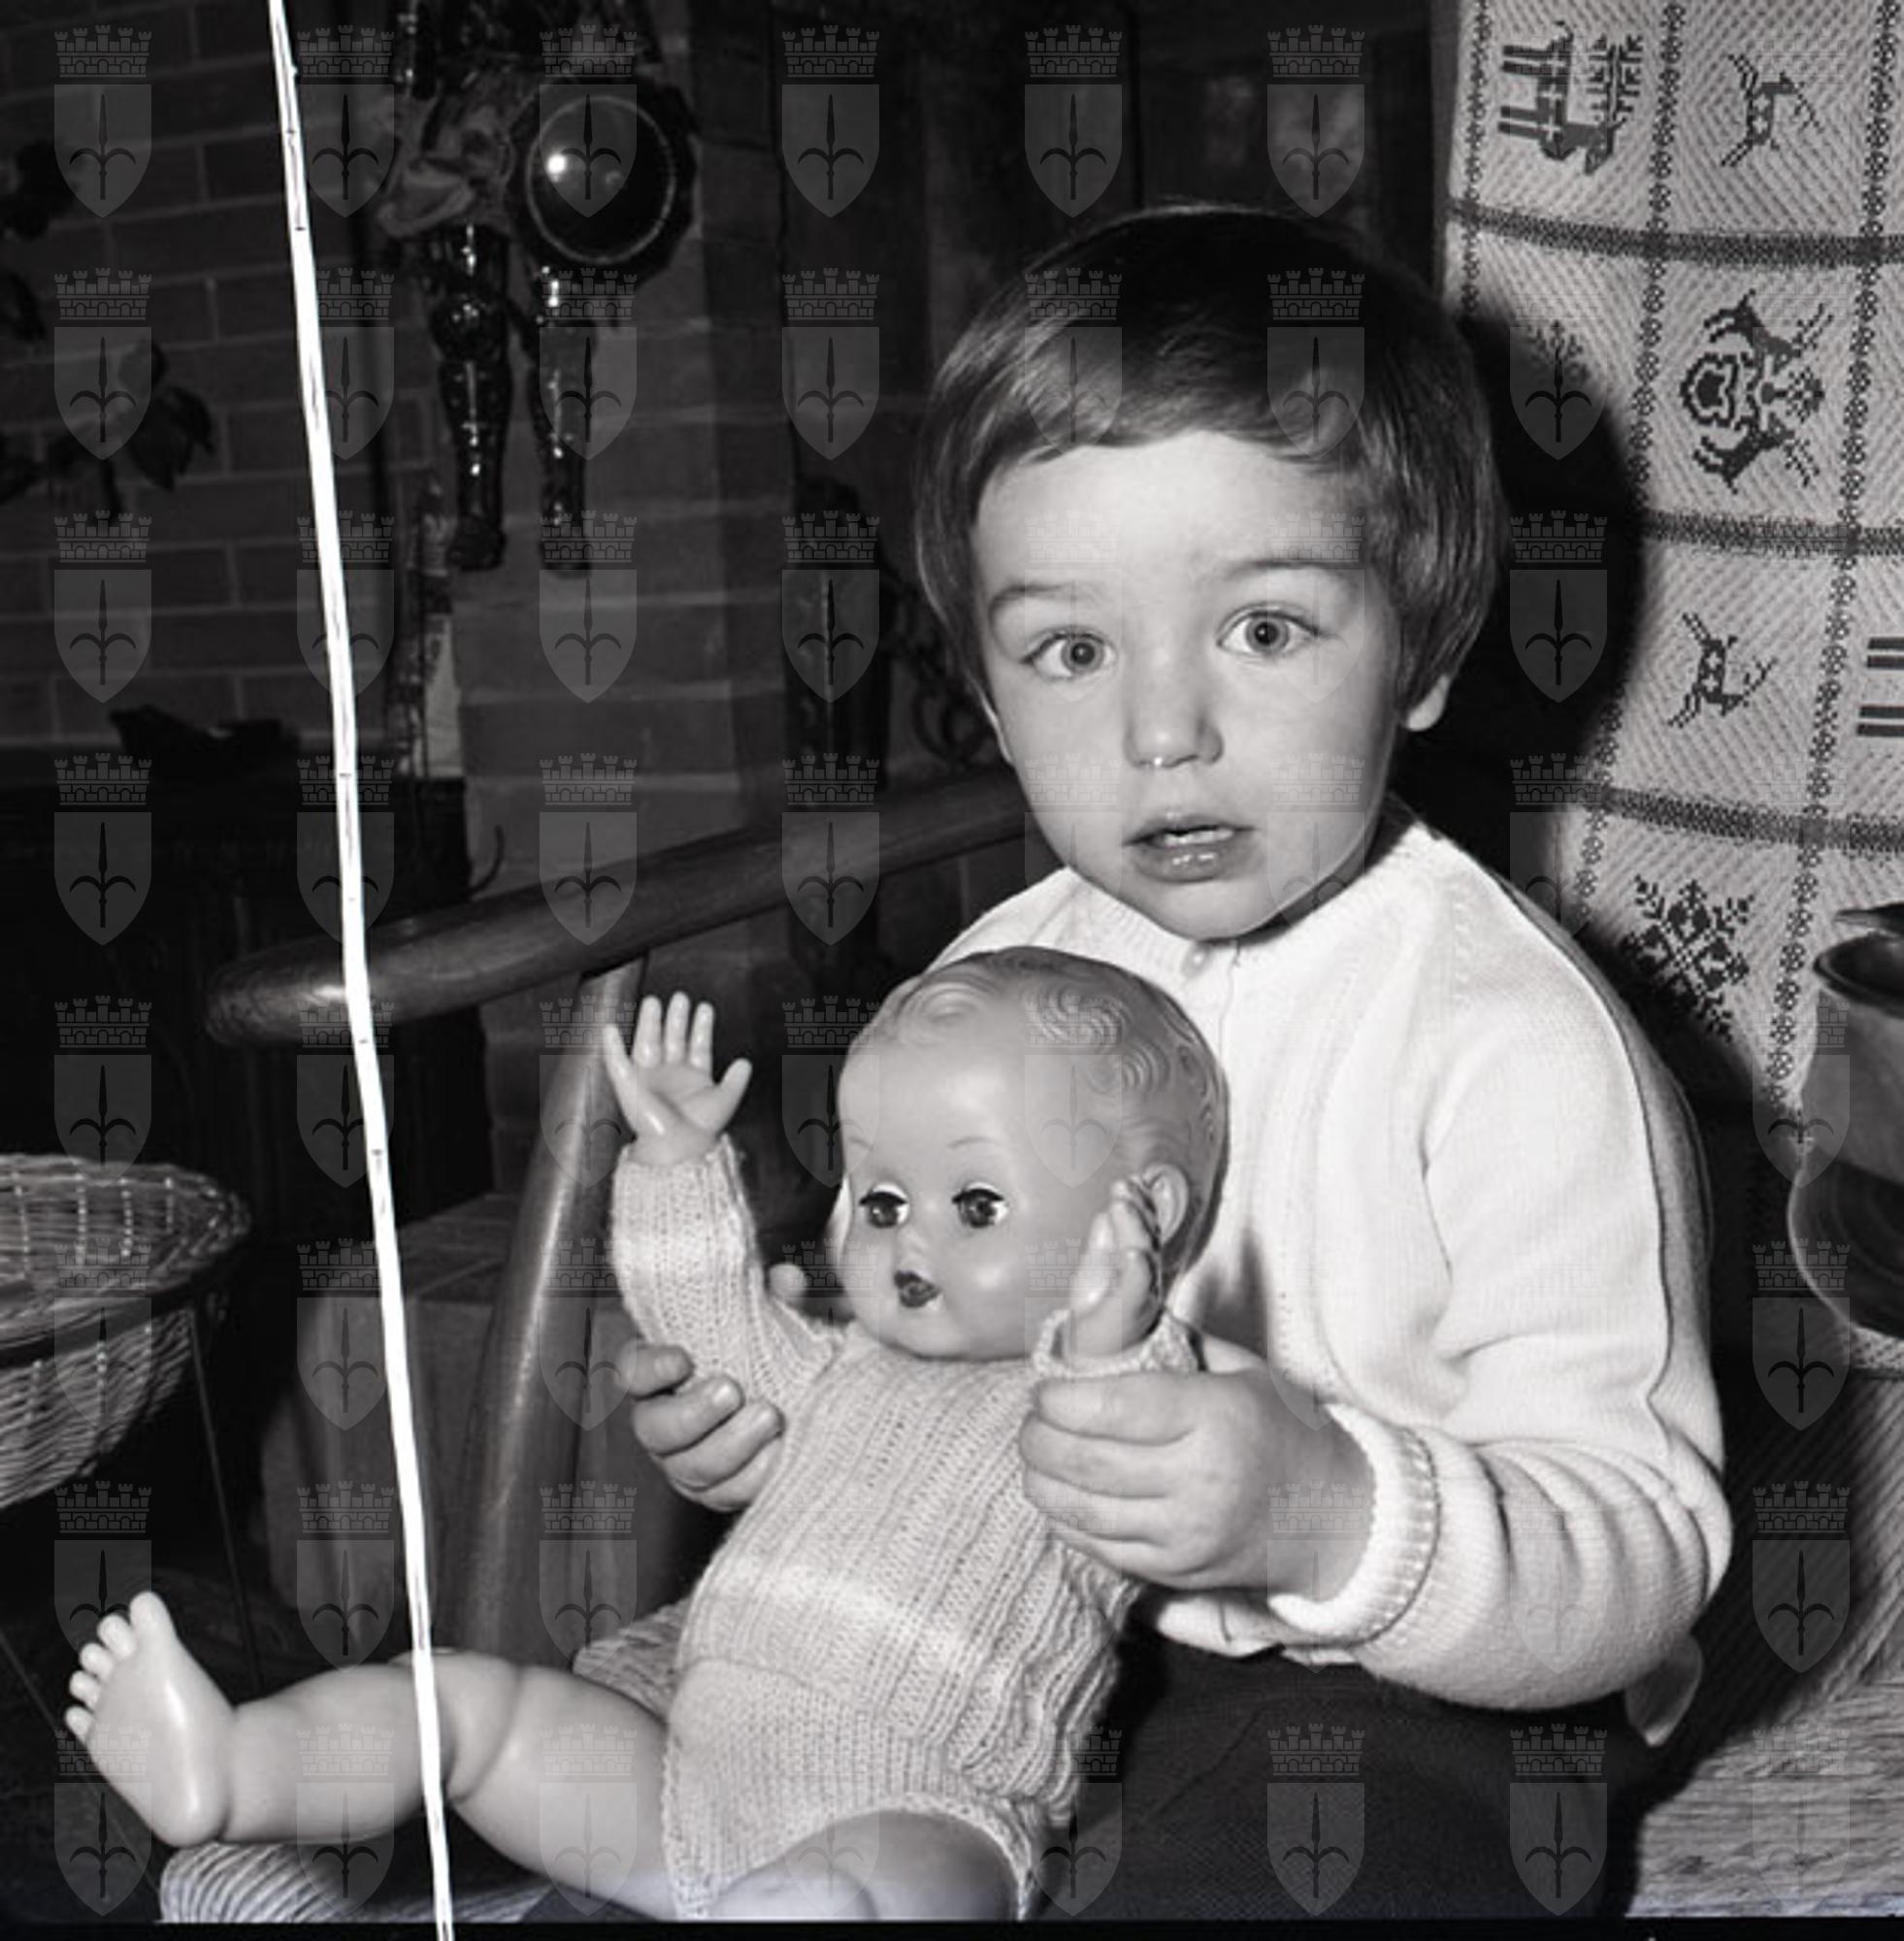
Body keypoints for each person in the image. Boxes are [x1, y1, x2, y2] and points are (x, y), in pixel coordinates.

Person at [601, 202, 1732, 1919]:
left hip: (1424, 1683)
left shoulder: (1510, 1047)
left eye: (1263, 629)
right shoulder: (990, 982)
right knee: (713, 1784)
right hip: (1026, 1629)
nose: (1161, 731)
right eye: (1071, 650)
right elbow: (916, 1317)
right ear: (991, 698)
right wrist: (781, 1419)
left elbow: (1643, 1547)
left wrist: (1326, 1516)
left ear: (1422, 647)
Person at [65, 949, 1231, 1922]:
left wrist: (1114, 1326)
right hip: (685, 1792)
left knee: (836, 1898)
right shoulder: (842, 1371)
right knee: (468, 1706)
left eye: (976, 1204)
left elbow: (1130, 1423)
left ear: (1146, 1213)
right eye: (882, 1199)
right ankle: (232, 1768)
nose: (907, 1239)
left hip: (925, 1811)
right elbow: (711, 1326)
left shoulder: (1109, 1395)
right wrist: (676, 1163)